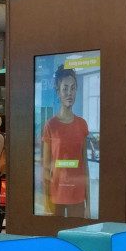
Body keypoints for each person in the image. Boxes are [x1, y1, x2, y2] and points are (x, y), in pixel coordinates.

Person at [40, 69, 89, 218]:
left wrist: (89, 205)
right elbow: (46, 167)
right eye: (65, 88)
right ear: (58, 92)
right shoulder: (51, 125)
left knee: (78, 231)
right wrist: (46, 203)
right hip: (56, 194)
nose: (69, 93)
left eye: (73, 88)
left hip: (77, 194)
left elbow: (85, 166)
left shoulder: (82, 124)